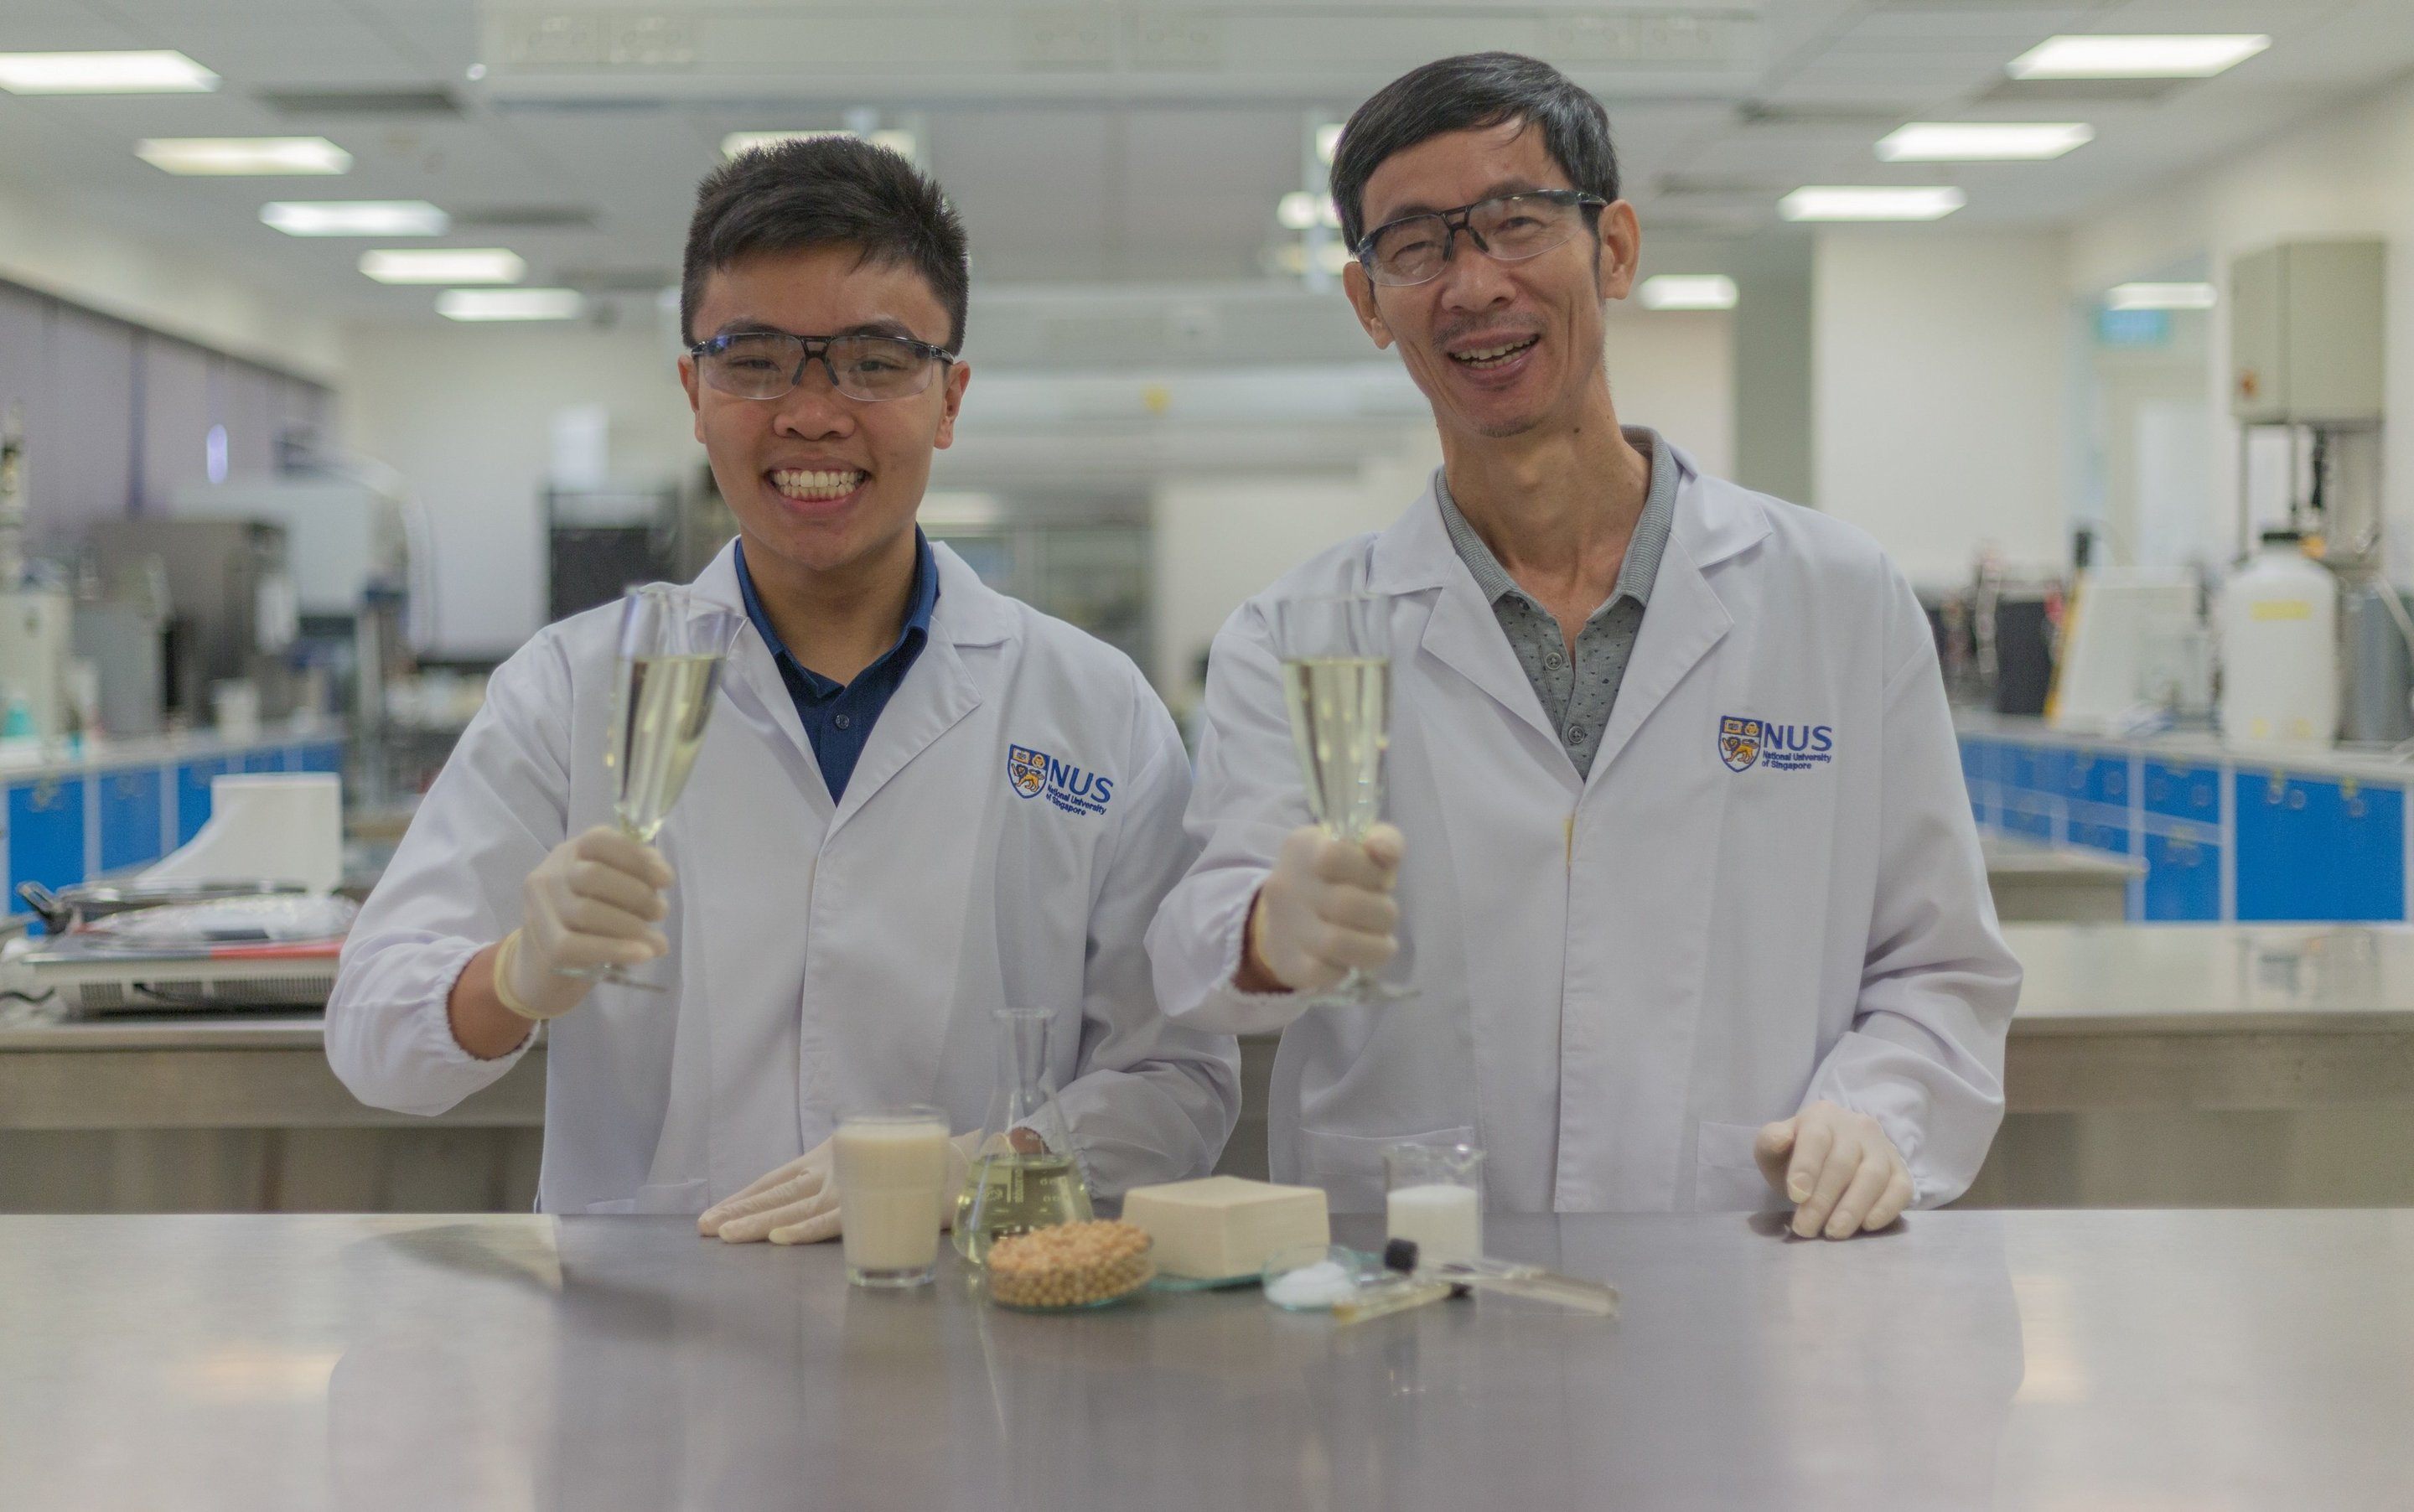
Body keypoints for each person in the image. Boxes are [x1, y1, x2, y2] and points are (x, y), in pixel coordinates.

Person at [1146, 54, 2018, 1240]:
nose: (1471, 285)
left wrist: (1880, 1116)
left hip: (1745, 1269)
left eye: (1513, 225)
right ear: (1368, 304)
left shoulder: (1836, 599)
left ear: (1613, 248)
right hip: (1415, 1283)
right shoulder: (1295, 634)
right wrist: (1265, 935)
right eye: (1416, 247)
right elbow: (1197, 952)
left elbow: (1940, 965)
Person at [329, 137, 1237, 1239]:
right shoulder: (566, 690)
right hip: (651, 1339)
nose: (812, 413)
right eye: (754, 359)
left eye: (874, 359)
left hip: (982, 1337)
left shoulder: (1093, 708)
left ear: (949, 399)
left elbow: (1181, 1078)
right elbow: (374, 1038)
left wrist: (983, 1165)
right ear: (693, 391)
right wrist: (512, 978)